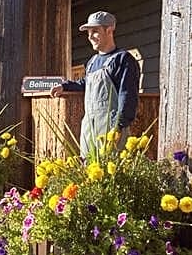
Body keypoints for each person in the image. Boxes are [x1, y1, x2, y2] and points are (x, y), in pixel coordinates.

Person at [50, 11, 140, 156]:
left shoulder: (123, 60)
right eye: (88, 32)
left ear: (109, 30)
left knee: (112, 171)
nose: (90, 36)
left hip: (111, 129)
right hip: (89, 129)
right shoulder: (92, 62)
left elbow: (127, 95)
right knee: (88, 168)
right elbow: (86, 83)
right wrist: (65, 86)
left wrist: (118, 126)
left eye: (95, 31)